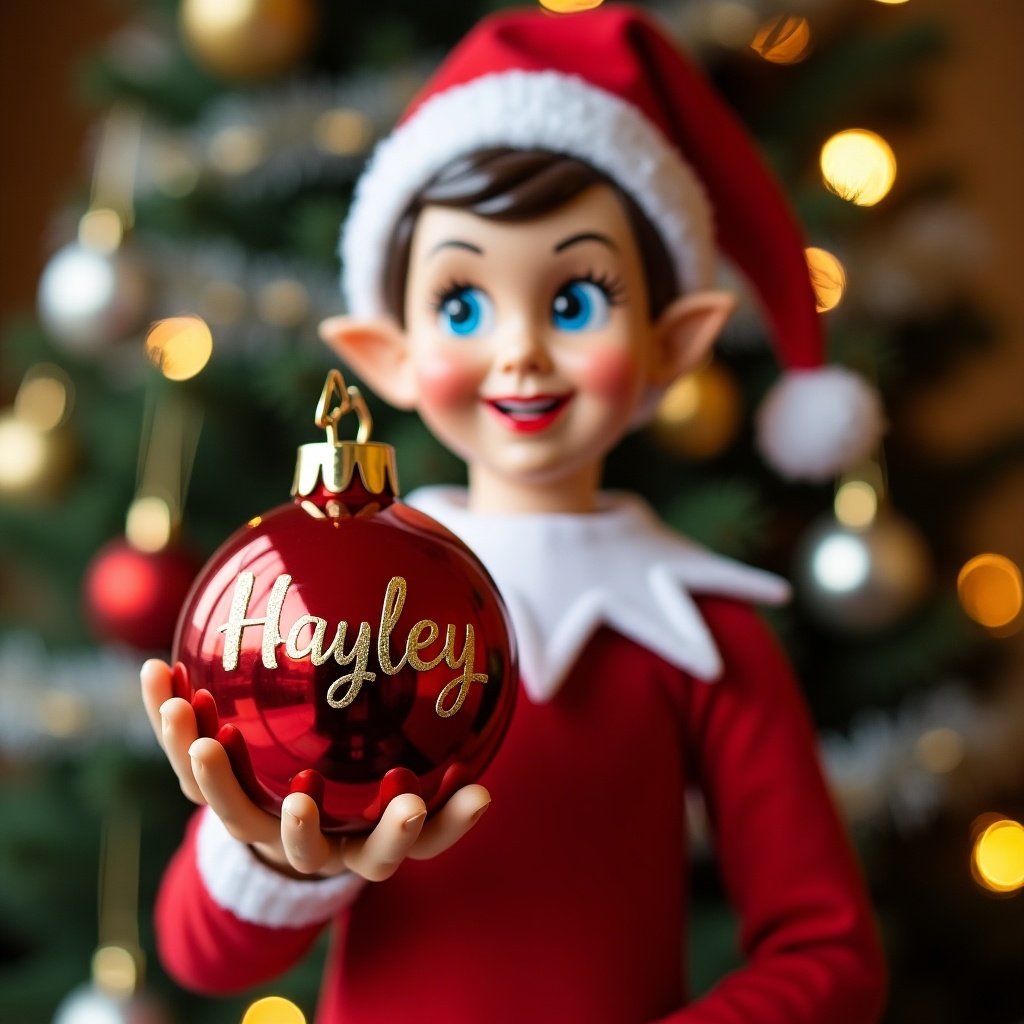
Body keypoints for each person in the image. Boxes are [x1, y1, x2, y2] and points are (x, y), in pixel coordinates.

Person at [144, 6, 887, 1022]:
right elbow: (201, 953)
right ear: (385, 351)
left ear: (676, 342)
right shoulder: (320, 622)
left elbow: (827, 950)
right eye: (462, 304)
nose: (520, 352)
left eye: (576, 299)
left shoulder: (703, 636)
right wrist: (271, 852)